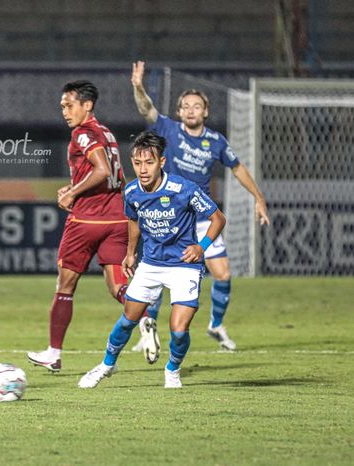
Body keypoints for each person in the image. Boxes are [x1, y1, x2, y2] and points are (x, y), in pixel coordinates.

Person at [129, 61, 270, 356]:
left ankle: (216, 325)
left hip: (201, 214)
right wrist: (138, 87)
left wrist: (258, 197)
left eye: (197, 106)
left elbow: (238, 168)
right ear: (179, 111)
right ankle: (149, 326)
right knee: (157, 268)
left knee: (223, 273)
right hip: (169, 214)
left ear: (205, 111)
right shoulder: (168, 129)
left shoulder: (216, 141)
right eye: (186, 106)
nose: (191, 110)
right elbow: (146, 110)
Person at [78, 131, 226, 389]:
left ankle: (172, 370)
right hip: (151, 264)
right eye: (137, 163)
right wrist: (131, 252)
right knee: (128, 319)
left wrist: (201, 247)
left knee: (179, 330)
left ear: (161, 162)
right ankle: (107, 365)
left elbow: (218, 219)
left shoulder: (183, 189)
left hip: (184, 266)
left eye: (148, 162)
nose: (142, 169)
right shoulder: (132, 191)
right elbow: (133, 221)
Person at [27, 80, 129, 372]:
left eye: (69, 105)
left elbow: (102, 170)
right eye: (62, 106)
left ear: (88, 105)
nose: (65, 111)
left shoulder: (82, 134)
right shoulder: (106, 132)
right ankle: (144, 318)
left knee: (65, 286)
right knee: (117, 286)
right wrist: (72, 186)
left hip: (87, 220)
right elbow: (112, 176)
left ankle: (53, 353)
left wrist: (73, 194)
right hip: (118, 216)